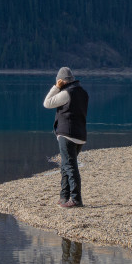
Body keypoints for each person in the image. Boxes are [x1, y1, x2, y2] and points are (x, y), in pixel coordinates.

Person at [43, 67, 88, 208]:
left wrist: (55, 87)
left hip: (67, 134)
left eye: (58, 82)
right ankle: (64, 197)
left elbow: (47, 103)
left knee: (69, 166)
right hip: (80, 135)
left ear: (61, 81)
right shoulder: (83, 92)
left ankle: (75, 199)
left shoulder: (67, 93)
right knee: (65, 166)